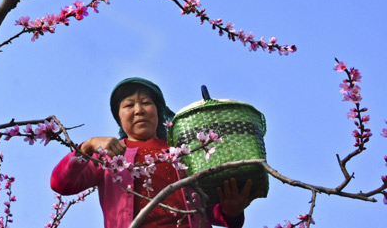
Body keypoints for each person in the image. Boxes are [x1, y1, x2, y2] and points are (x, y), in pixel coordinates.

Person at [50, 77, 252, 228]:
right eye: (129, 105)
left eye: (146, 103)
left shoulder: (184, 152)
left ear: (159, 112)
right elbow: (61, 184)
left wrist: (230, 211)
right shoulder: (109, 156)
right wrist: (87, 146)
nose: (139, 110)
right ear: (119, 117)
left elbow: (207, 209)